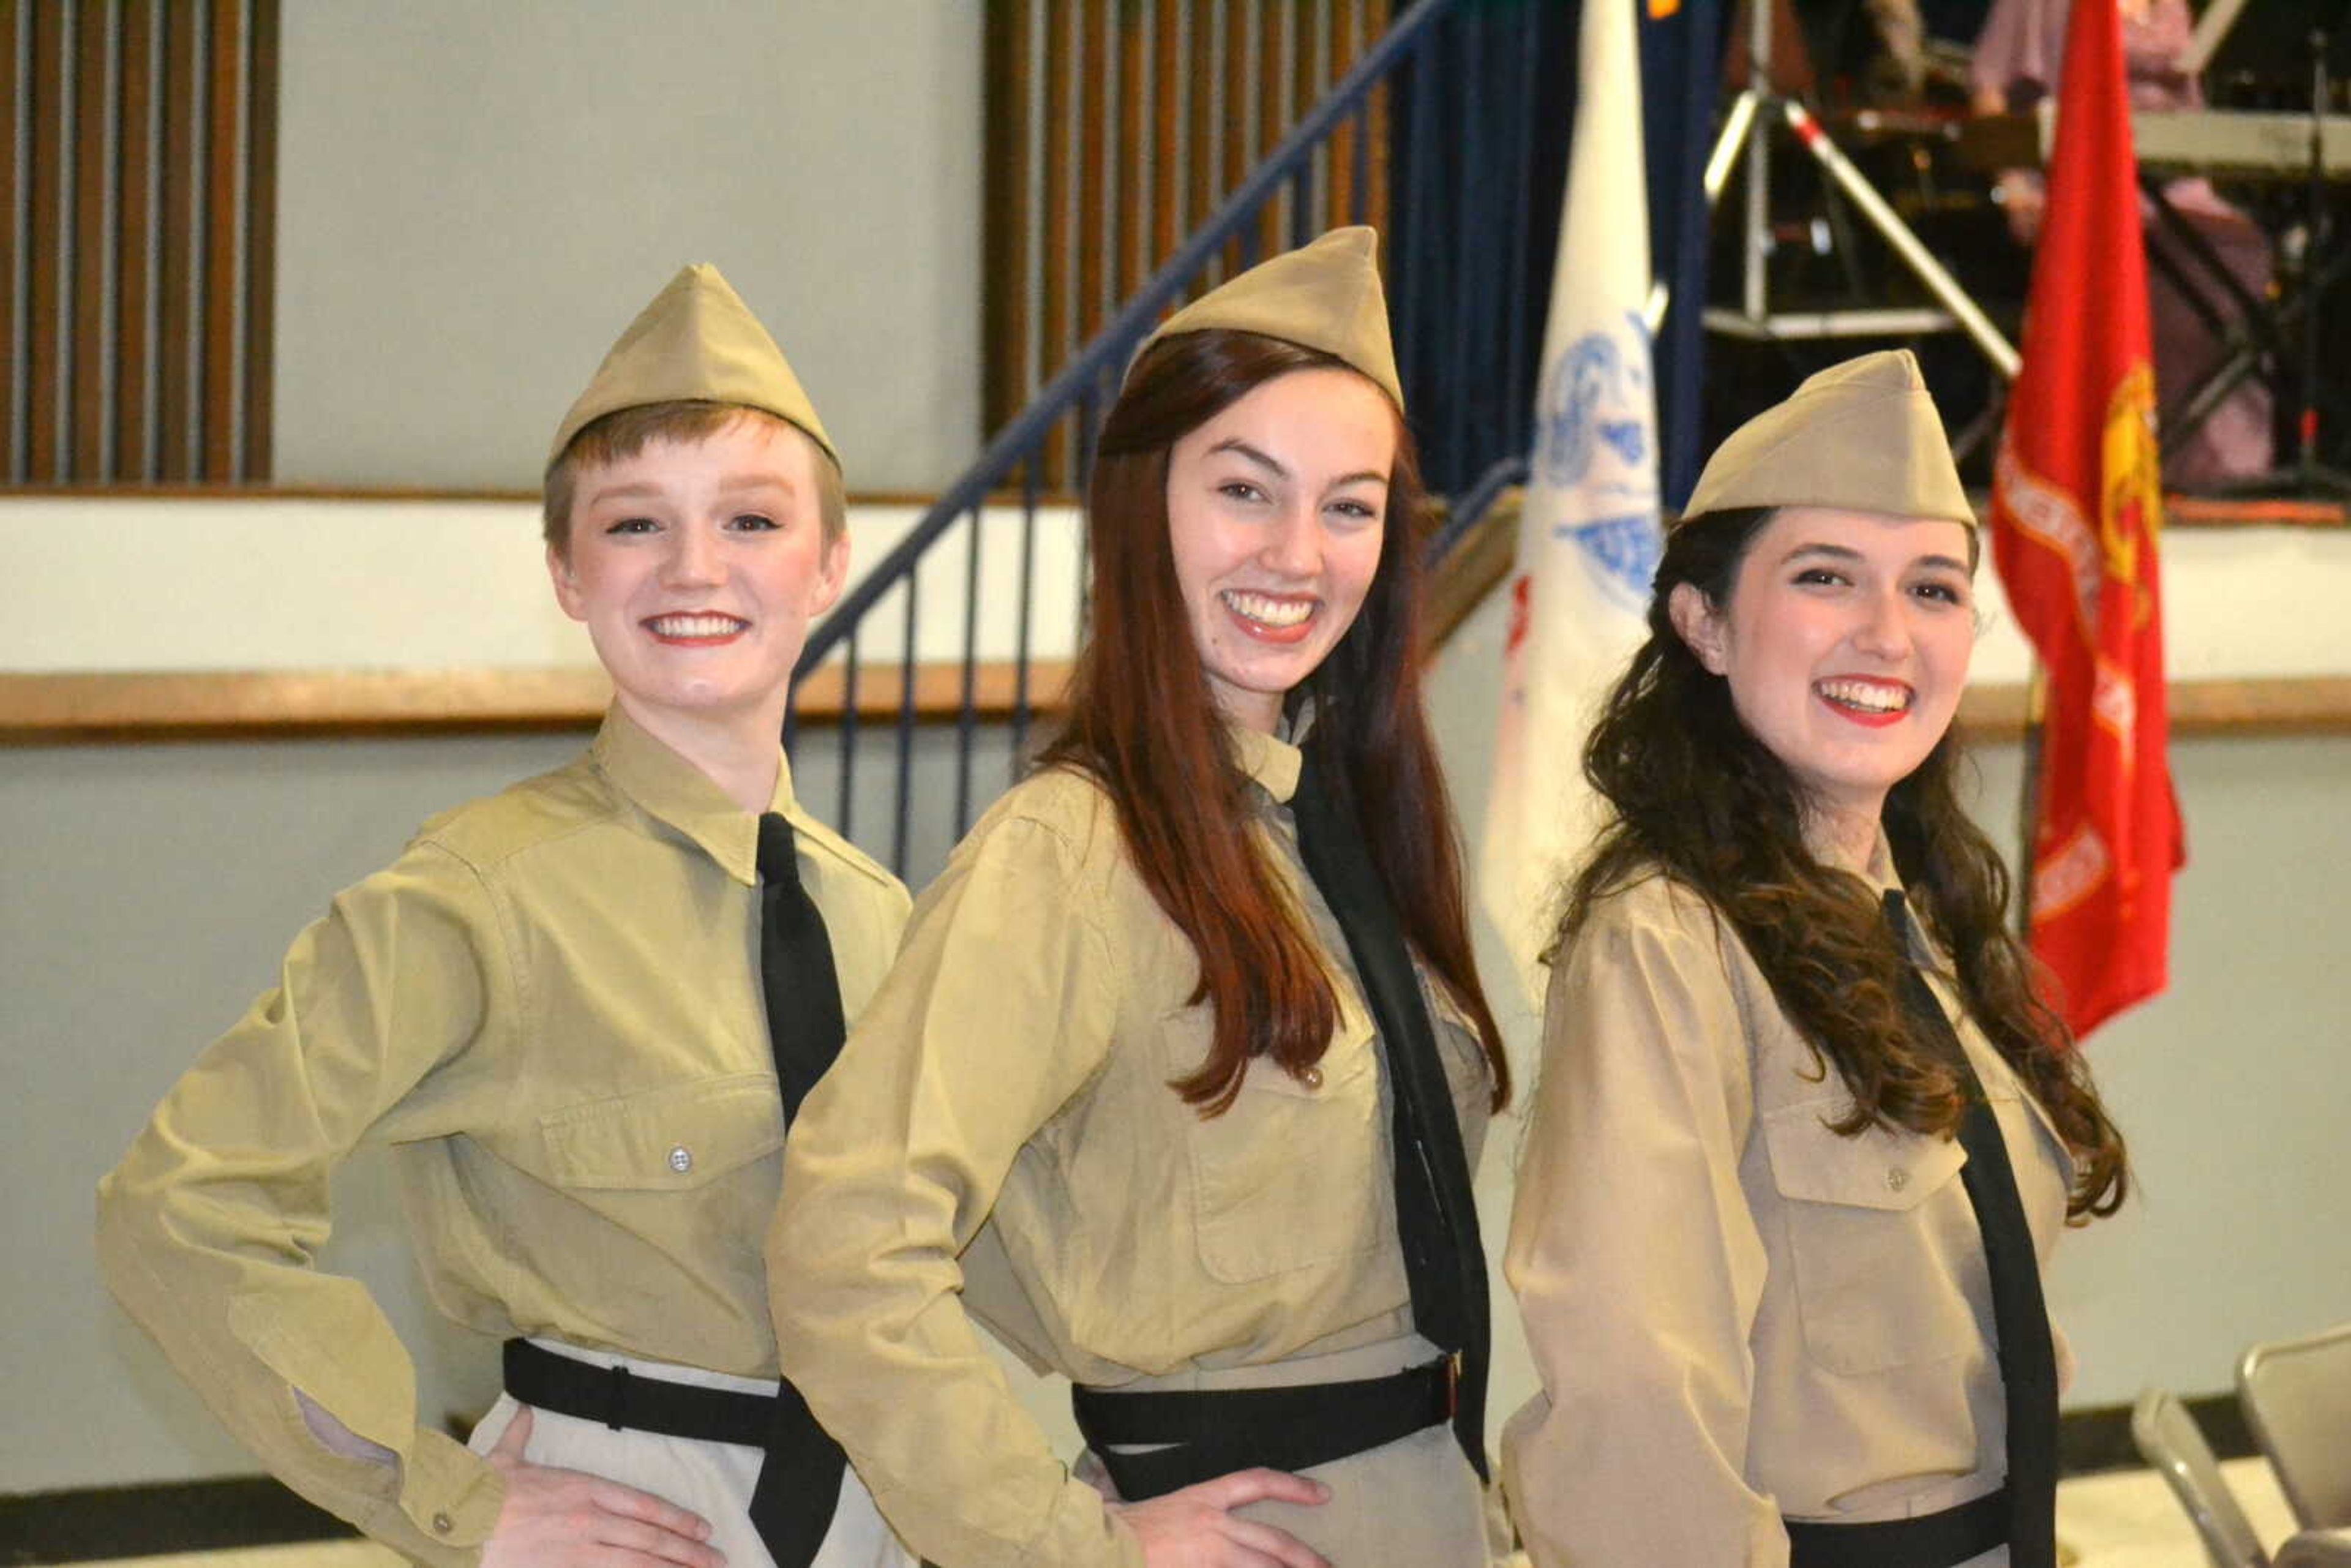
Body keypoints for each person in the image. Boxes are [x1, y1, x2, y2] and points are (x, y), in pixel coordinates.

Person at [97, 265, 913, 1568]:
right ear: (565, 572)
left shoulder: (878, 917)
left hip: (885, 1510)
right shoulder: (479, 894)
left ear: (827, 564)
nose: (696, 566)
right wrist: (446, 1496)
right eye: (635, 523)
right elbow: (177, 1203)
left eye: (752, 520)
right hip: (626, 1514)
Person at [767, 227, 1512, 1568]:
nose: (1299, 551)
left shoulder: (1343, 836)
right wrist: (1058, 1540)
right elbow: (845, 1242)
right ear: (1144, 501)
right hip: (1250, 1524)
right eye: (1246, 489)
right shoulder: (1069, 851)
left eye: (1350, 505)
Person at [1501, 351, 2130, 1568]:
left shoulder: (1927, 917)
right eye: (1826, 577)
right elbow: (1637, 1389)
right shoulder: (1669, 943)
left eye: (1934, 589)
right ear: (1705, 622)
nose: (1888, 634)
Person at [1971, 0, 2274, 490]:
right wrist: (2013, 185)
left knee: (2238, 242)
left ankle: (2220, 466)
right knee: (2150, 248)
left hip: (2177, 183)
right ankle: (2132, 462)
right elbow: (1990, 87)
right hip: (2087, 179)